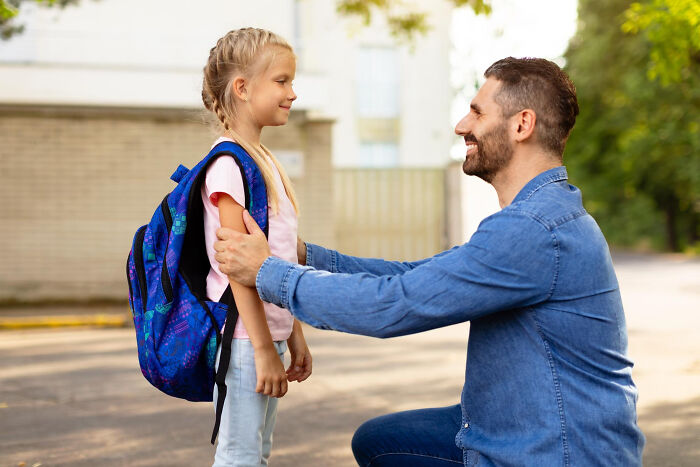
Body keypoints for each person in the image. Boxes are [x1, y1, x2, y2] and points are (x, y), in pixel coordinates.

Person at [213, 57, 645, 466]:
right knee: (379, 439)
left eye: (476, 113)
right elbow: (417, 276)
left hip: (554, 450)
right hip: (520, 423)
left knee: (381, 446)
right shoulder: (539, 216)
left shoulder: (533, 229)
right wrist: (308, 257)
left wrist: (269, 273)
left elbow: (395, 304)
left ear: (522, 124)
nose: (461, 126)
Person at [200, 27, 312, 467]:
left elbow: (277, 260)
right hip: (246, 341)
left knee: (258, 454)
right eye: (282, 81)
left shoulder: (262, 160)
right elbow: (236, 267)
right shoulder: (229, 164)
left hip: (269, 335)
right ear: (243, 88)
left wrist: (293, 333)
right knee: (241, 457)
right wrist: (265, 348)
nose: (293, 92)